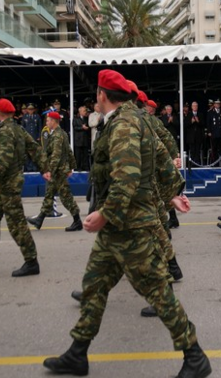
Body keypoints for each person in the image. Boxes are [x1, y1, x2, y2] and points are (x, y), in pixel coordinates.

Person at [43, 70, 211, 378]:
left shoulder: (122, 125)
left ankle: (194, 355)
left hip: (131, 224)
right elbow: (161, 155)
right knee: (94, 285)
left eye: (96, 94)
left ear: (102, 96)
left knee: (158, 291)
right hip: (119, 226)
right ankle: (77, 353)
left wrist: (105, 213)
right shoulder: (136, 119)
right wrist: (173, 190)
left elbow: (128, 178)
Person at [0, 98, 50, 278]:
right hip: (8, 182)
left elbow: (3, 159)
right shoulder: (18, 129)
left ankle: (31, 261)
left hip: (9, 183)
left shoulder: (6, 131)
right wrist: (44, 167)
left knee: (16, 223)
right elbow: (34, 148)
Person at [27, 111, 83, 232]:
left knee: (65, 196)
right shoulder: (61, 133)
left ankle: (77, 221)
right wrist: (72, 166)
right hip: (60, 169)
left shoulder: (57, 136)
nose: (47, 122)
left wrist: (49, 170)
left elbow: (56, 155)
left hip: (58, 171)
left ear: (53, 121)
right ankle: (40, 220)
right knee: (49, 194)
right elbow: (68, 151)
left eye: (48, 120)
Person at [207, 99, 221, 165]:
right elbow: (208, 123)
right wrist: (209, 131)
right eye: (216, 103)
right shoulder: (210, 112)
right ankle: (215, 163)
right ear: (214, 104)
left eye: (219, 103)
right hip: (213, 134)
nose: (218, 105)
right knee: (214, 149)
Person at [73, 106, 91, 171]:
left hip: (85, 139)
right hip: (78, 139)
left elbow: (89, 126)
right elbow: (75, 127)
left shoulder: (87, 118)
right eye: (84, 111)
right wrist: (82, 127)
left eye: (85, 111)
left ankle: (85, 167)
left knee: (85, 155)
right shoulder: (75, 119)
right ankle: (78, 167)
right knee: (78, 155)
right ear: (80, 112)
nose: (85, 112)